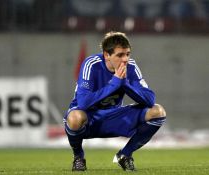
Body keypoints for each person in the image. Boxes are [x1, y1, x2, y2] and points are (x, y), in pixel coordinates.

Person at [64, 31, 166, 171]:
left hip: (114, 117)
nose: (125, 59)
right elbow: (82, 103)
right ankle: (78, 157)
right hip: (90, 119)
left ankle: (124, 155)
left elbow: (149, 99)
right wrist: (114, 83)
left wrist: (124, 84)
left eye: (127, 54)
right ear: (107, 55)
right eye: (120, 55)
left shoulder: (131, 66)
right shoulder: (91, 64)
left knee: (157, 111)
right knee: (75, 117)